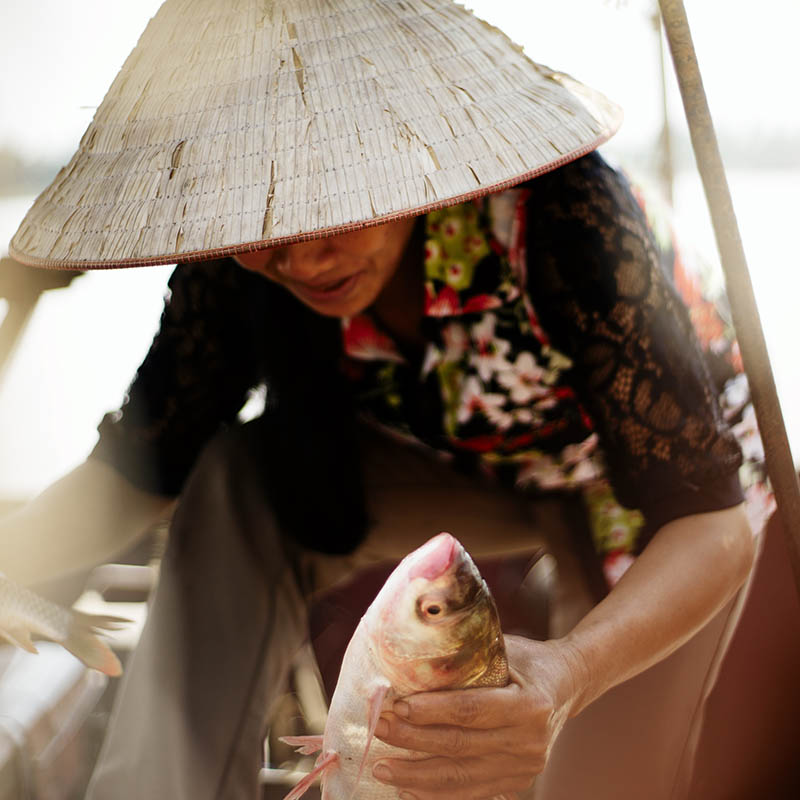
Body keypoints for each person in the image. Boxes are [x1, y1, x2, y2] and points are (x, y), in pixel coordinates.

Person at [3, 0, 770, 798]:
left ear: (410, 153)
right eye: (266, 217)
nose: (303, 255)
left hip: (649, 500)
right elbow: (145, 463)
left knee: (605, 779)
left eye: (333, 205)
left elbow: (712, 521)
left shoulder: (566, 216)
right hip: (465, 465)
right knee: (239, 473)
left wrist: (569, 673)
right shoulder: (236, 258)